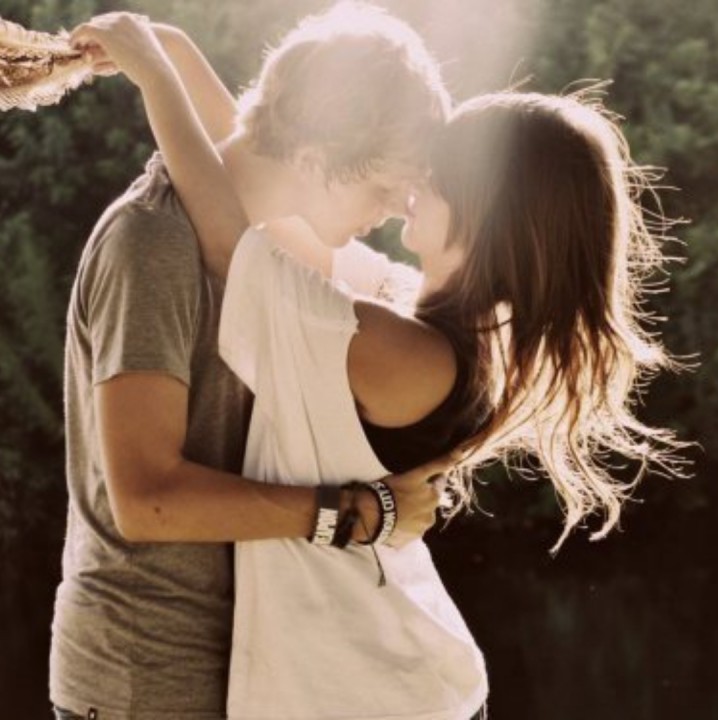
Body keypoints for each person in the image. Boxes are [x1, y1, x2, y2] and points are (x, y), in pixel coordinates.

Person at [71, 5, 687, 720]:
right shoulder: (407, 313)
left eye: (438, 175)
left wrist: (155, 79)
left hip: (377, 698)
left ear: (490, 214)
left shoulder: (398, 352)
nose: (408, 194)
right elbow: (269, 179)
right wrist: (178, 54)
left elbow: (235, 244)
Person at [50, 5, 463, 720]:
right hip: (148, 683)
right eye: (381, 191)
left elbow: (248, 154)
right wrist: (360, 513)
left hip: (254, 673)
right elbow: (145, 500)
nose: (391, 215)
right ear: (315, 160)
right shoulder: (152, 244)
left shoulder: (270, 247)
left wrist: (172, 57)